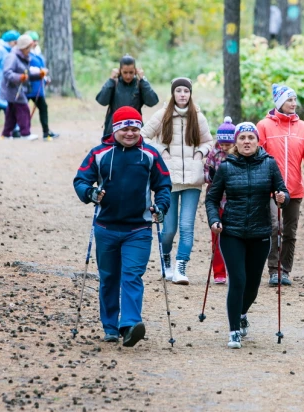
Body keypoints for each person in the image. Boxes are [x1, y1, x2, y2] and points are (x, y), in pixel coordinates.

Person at [73, 106, 172, 347]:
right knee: (109, 278)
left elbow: (164, 185)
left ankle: (129, 324)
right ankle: (109, 326)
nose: (130, 133)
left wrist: (161, 206)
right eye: (125, 128)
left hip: (138, 229)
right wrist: (90, 193)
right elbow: (81, 179)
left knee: (132, 276)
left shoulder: (150, 154)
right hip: (105, 227)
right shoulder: (99, 153)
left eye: (135, 128)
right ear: (115, 129)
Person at [206, 122, 289, 349]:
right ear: (236, 141)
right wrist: (214, 220)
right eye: (242, 138)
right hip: (231, 231)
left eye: (250, 138)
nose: (246, 142)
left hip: (260, 232)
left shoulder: (269, 164)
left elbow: (283, 192)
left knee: (252, 285)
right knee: (238, 280)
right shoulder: (226, 166)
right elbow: (212, 198)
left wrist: (282, 197)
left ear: (258, 141)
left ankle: (242, 313)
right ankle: (234, 330)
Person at [141, 77, 213, 285]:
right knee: (169, 228)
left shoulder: (197, 116)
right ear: (173, 93)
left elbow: (209, 141)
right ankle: (166, 259)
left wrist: (200, 153)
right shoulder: (163, 114)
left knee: (187, 226)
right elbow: (144, 136)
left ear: (190, 94)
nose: (182, 94)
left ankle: (181, 266)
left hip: (192, 180)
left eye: (186, 91)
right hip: (168, 180)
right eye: (179, 91)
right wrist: (161, 151)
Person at [257, 84, 304, 286]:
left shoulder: (303, 127)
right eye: (289, 100)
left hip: (294, 189)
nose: (294, 103)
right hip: (269, 190)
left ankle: (284, 270)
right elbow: (256, 155)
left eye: (295, 99)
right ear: (279, 102)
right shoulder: (264, 126)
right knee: (273, 227)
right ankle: (272, 270)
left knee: (289, 232)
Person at [203, 116, 236, 284]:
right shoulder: (214, 152)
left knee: (233, 239)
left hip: (234, 202)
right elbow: (206, 172)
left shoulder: (238, 154)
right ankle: (219, 273)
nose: (224, 147)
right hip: (217, 201)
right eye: (222, 144)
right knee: (217, 237)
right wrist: (211, 177)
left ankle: (234, 271)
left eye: (228, 145)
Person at [96, 54, 159, 137]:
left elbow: (152, 101)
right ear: (120, 70)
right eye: (125, 72)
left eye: (131, 72)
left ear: (135, 71)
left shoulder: (139, 84)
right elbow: (102, 100)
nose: (128, 76)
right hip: (113, 128)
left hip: (134, 129)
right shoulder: (114, 84)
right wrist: (111, 79)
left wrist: (143, 80)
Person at [0, 34, 47, 140]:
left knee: (11, 112)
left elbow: (27, 75)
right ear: (24, 47)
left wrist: (39, 75)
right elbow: (7, 73)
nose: (30, 51)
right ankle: (25, 133)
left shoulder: (24, 57)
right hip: (12, 89)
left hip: (19, 88)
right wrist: (19, 77)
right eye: (29, 48)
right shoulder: (12, 56)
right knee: (23, 109)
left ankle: (6, 134)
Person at [24, 31, 59, 141]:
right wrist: (39, 72)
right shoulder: (25, 54)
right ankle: (19, 131)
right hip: (27, 86)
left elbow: (41, 67)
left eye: (36, 40)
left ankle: (46, 132)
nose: (35, 43)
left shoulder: (37, 53)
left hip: (38, 86)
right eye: (33, 41)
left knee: (43, 107)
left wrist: (45, 78)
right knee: (22, 109)